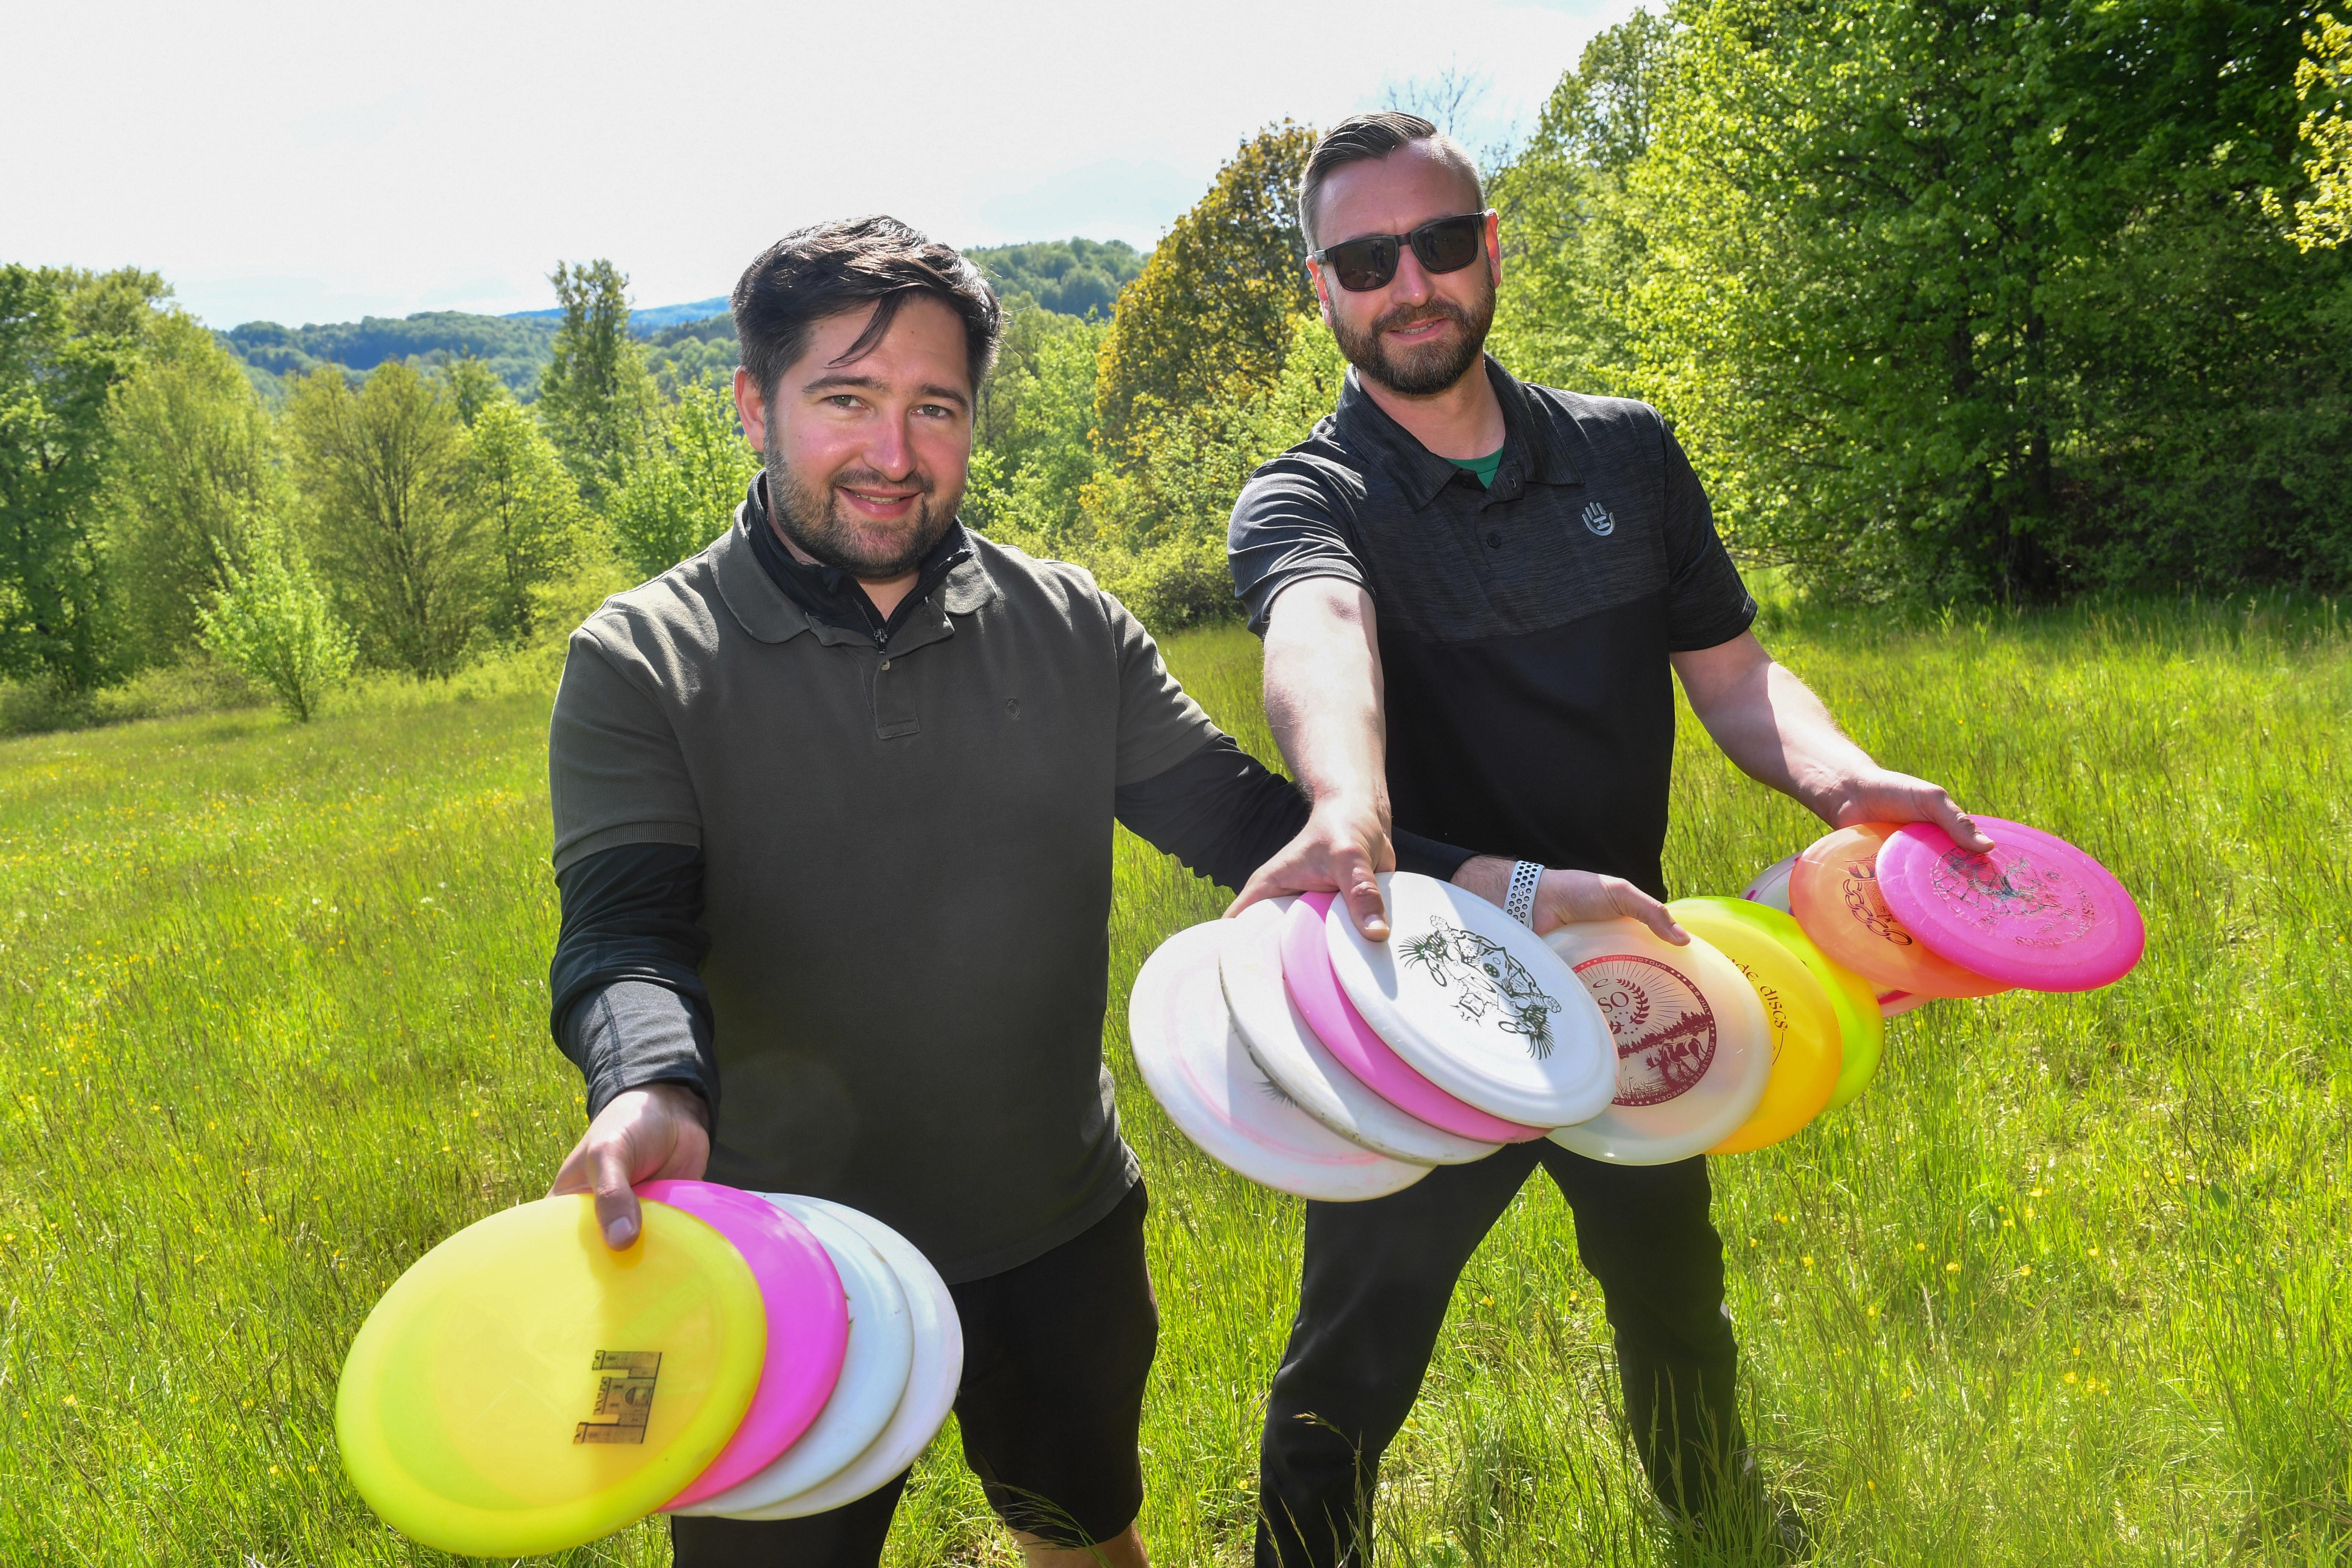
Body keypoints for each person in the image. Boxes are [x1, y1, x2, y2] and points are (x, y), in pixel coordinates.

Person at [537, 215, 1485, 1568]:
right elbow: (626, 931)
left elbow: (1247, 821)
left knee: (1085, 1535)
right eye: (845, 400)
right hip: (773, 1268)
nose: (894, 452)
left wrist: (1499, 883)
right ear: (755, 404)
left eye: (936, 407)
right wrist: (650, 1090)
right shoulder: (640, 659)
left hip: (1057, 1235)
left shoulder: (1070, 624)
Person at [1225, 114, 1996, 1565]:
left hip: (1633, 971)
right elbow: (1318, 628)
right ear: (1320, 286)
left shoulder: (1627, 457)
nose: (1414, 283)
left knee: (1672, 1298)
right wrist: (1347, 805)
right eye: (1368, 257)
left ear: (1492, 247)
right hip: (1424, 995)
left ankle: (1718, 1529)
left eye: (1443, 243)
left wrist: (1845, 783)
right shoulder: (1310, 496)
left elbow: (1735, 672)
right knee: (1352, 1352)